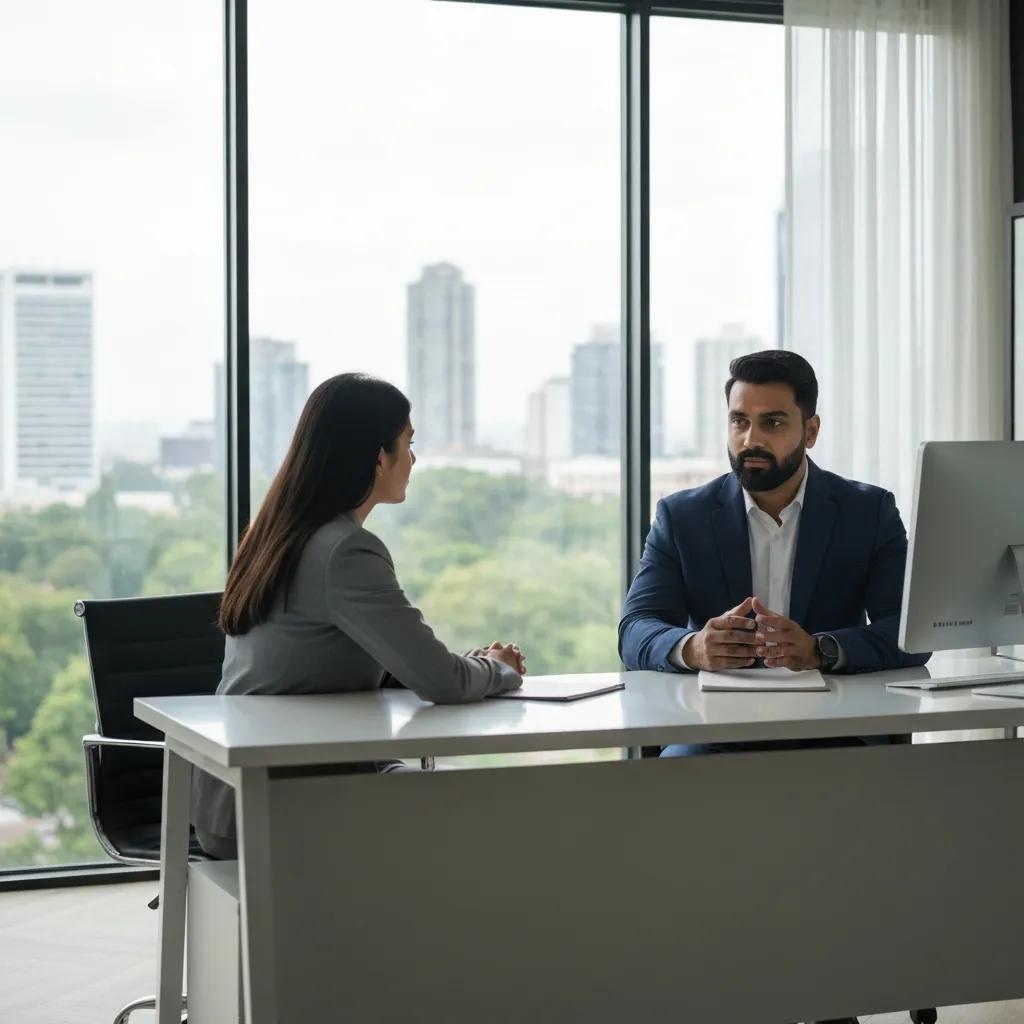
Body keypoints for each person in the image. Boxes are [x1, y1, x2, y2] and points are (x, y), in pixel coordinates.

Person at [192, 373, 524, 858]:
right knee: (496, 813)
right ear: (378, 456)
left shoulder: (279, 534)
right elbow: (442, 683)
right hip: (284, 797)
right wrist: (500, 670)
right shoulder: (345, 551)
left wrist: (472, 662)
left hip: (238, 794)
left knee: (469, 806)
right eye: (408, 444)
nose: (413, 459)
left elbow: (396, 662)